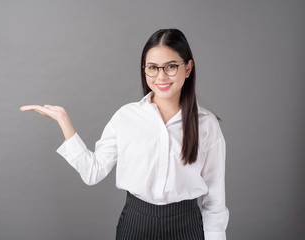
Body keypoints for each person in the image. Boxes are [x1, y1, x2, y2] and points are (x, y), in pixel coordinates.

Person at [20, 28, 229, 240]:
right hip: (136, 225)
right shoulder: (126, 117)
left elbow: (215, 202)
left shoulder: (207, 125)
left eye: (171, 66)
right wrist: (64, 121)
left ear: (188, 68)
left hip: (187, 227)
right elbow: (93, 172)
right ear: (144, 69)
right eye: (153, 68)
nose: (161, 76)